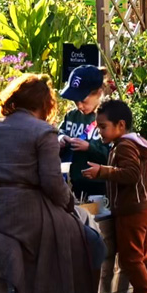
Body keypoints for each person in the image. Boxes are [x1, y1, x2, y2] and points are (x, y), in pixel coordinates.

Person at [0, 74, 127, 293]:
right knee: (93, 242)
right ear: (43, 103)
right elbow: (52, 183)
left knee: (79, 236)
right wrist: (70, 204)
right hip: (28, 211)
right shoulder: (43, 131)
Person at [83, 99, 147, 293]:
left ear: (120, 125)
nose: (99, 131)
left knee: (131, 259)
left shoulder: (125, 146)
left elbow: (130, 174)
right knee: (144, 256)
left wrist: (102, 171)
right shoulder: (130, 143)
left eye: (102, 126)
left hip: (133, 211)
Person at [58, 65, 111, 202]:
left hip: (101, 184)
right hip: (75, 181)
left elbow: (115, 153)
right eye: (75, 101)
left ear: (99, 93)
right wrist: (61, 138)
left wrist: (89, 147)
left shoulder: (109, 118)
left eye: (83, 100)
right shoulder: (72, 116)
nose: (79, 106)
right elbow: (59, 131)